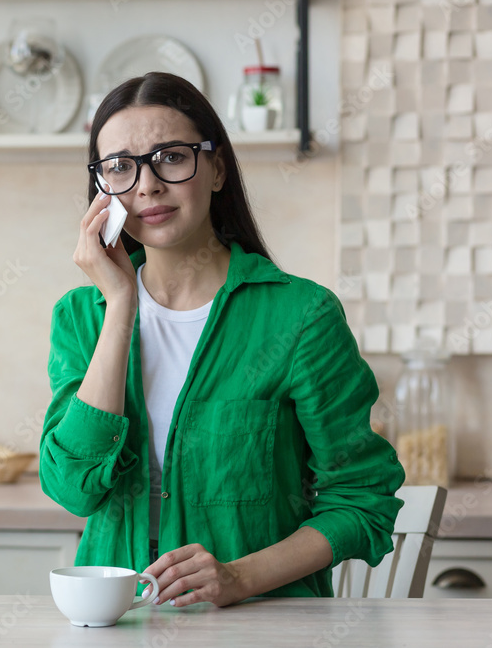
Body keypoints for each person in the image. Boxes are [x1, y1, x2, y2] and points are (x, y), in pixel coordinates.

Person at [39, 72, 406, 608]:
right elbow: (74, 489)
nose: (146, 186)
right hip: (120, 625)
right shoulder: (80, 316)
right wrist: (120, 304)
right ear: (102, 189)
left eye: (170, 157)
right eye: (119, 167)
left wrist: (239, 577)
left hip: (263, 625)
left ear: (215, 169)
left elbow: (362, 500)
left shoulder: (301, 316)